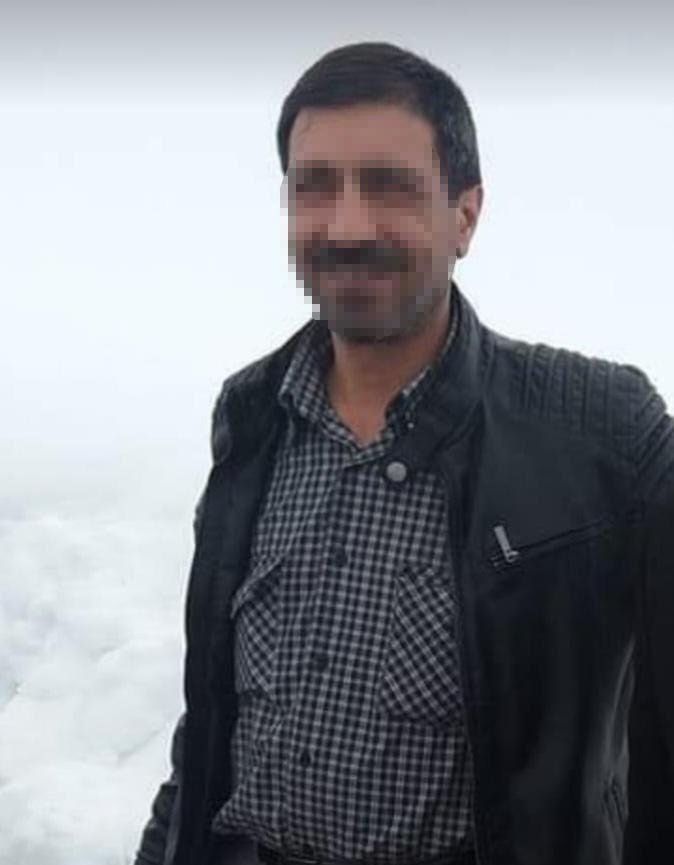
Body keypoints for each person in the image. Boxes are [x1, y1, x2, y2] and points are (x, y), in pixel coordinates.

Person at [133, 42, 674, 865]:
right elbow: (210, 722)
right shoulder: (252, 418)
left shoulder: (598, 431)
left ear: (466, 214)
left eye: (390, 185)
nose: (348, 226)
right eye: (315, 186)